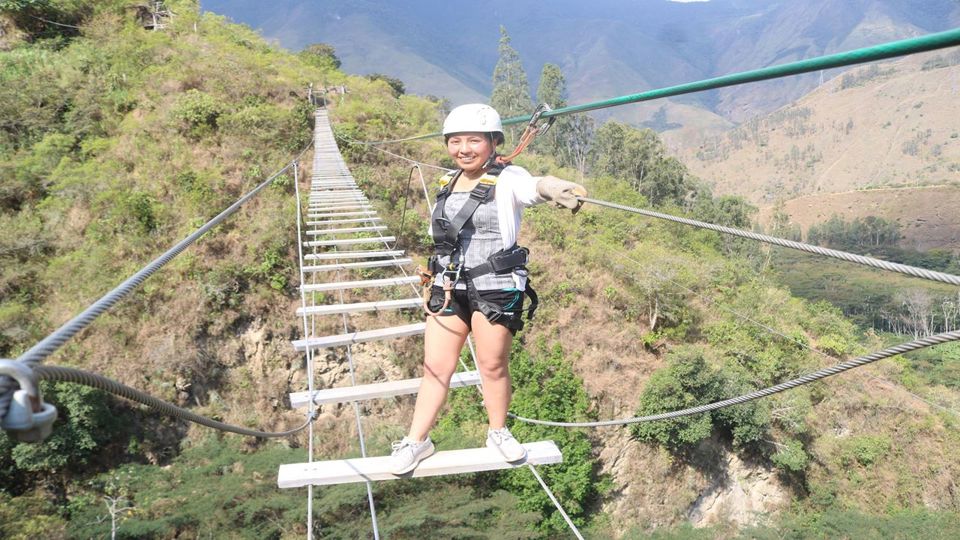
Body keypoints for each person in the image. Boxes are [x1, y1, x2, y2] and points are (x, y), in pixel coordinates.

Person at [389, 103, 587, 474]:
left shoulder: (508, 177)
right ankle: (417, 441)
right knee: (435, 367)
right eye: (456, 141)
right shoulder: (447, 181)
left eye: (474, 140)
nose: (464, 148)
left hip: (494, 286)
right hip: (449, 286)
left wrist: (552, 186)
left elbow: (532, 187)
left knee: (492, 366)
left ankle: (498, 431)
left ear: (494, 142)